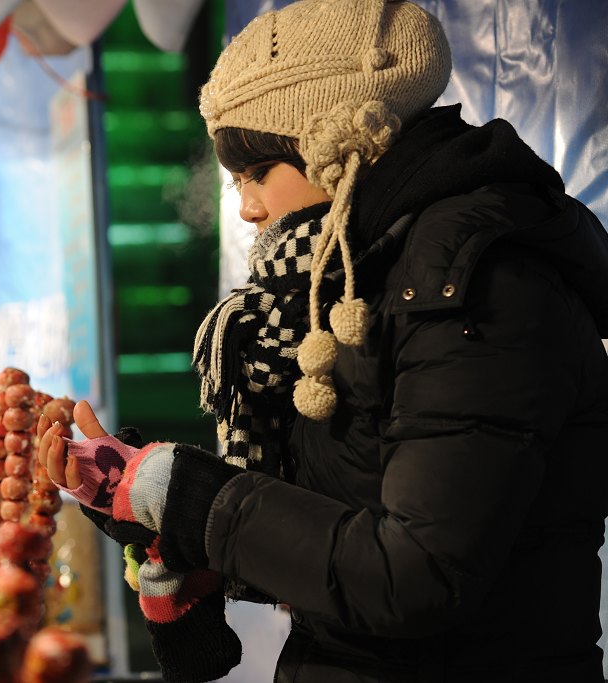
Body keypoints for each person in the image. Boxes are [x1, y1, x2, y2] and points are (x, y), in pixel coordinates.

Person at [36, 0, 608, 681]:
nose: (246, 207)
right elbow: (333, 527)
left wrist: (190, 494)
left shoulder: (478, 284)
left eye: (255, 173)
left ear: (332, 145)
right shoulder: (354, 275)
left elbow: (413, 576)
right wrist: (146, 505)